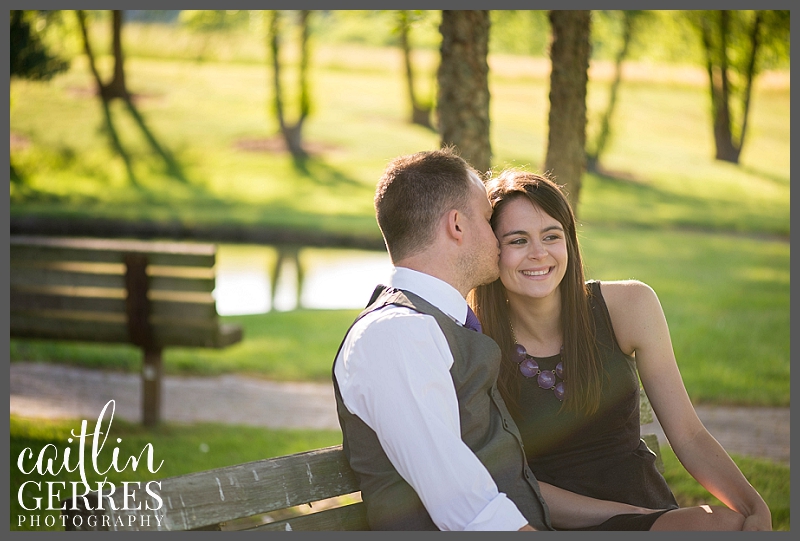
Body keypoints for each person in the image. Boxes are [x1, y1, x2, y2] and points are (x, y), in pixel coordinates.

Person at [332, 148, 669, 531]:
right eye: (489, 219)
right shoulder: (394, 335)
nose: (498, 237)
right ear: (458, 225)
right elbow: (466, 511)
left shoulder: (438, 326)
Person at [469, 169, 772, 531]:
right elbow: (507, 481)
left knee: (731, 525)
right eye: (518, 240)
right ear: (492, 250)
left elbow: (689, 435)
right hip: (554, 522)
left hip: (647, 508)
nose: (539, 253)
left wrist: (756, 510)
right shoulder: (475, 341)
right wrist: (632, 517)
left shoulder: (629, 306)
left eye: (551, 236)